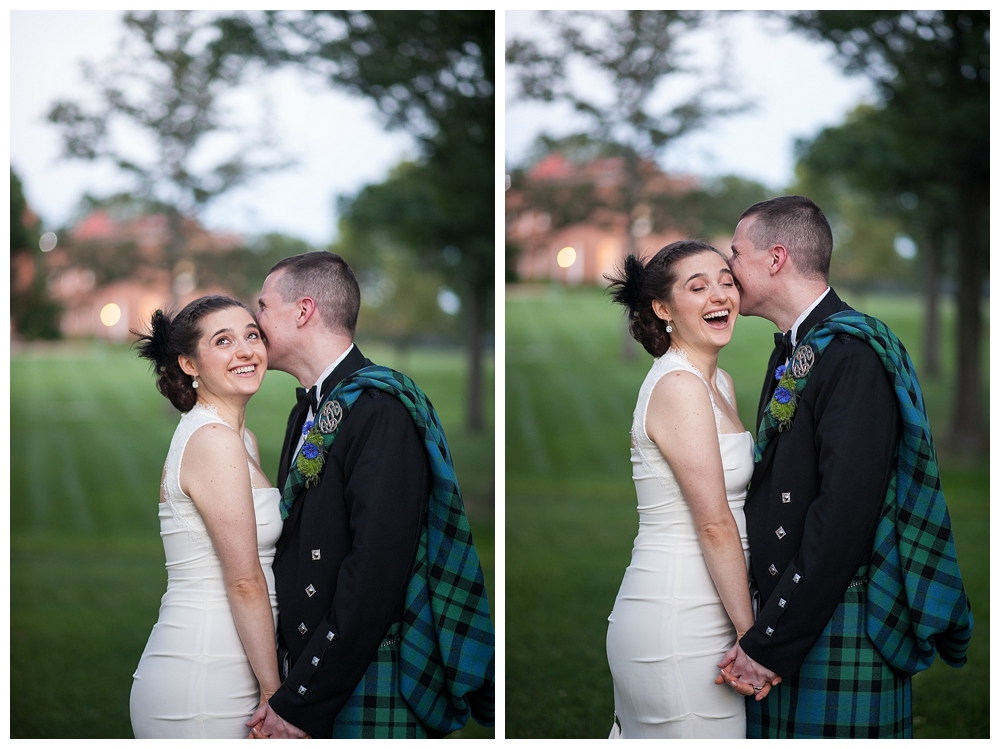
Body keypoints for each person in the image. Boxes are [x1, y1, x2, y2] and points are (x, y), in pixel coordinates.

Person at [718, 195, 973, 738]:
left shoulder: (851, 355)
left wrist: (772, 641)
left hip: (839, 614)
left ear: (776, 258)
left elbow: (843, 517)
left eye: (735, 253)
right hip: (798, 611)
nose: (728, 266)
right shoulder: (798, 348)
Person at [246, 251, 494, 739]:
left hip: (364, 674)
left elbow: (375, 570)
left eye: (263, 306)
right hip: (311, 668)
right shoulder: (306, 412)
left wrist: (303, 700)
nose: (255, 322)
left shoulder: (381, 411)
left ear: (303, 310)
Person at [604, 240, 771, 739]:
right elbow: (714, 522)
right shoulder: (679, 386)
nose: (719, 295)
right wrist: (752, 637)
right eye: (697, 287)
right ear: (663, 309)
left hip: (718, 604)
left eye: (726, 281)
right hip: (678, 614)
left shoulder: (720, 383)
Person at [129, 295, 282, 738]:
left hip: (237, 663)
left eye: (252, 335)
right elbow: (244, 580)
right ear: (189, 364)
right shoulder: (213, 440)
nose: (246, 350)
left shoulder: (242, 439)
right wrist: (274, 694)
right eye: (223, 341)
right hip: (204, 674)